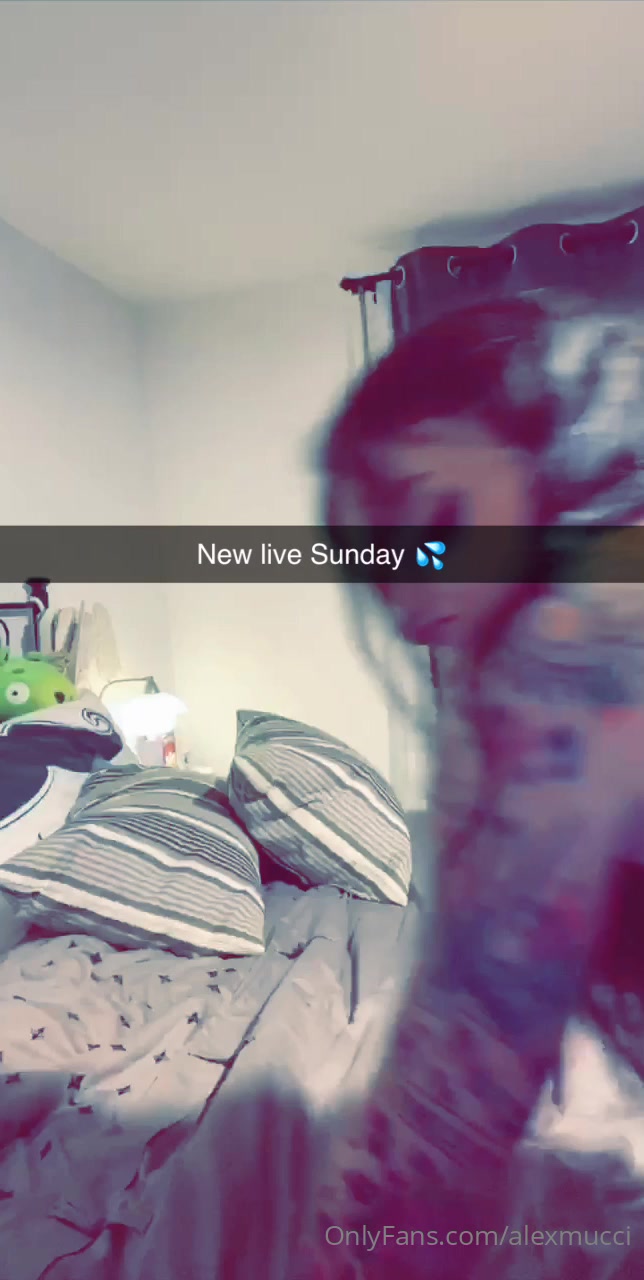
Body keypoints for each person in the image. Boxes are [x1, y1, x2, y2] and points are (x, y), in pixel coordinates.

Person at [73, 297, 644, 1280]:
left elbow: (466, 1066)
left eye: (442, 519)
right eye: (381, 565)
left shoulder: (573, 634)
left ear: (557, 447)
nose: (413, 604)